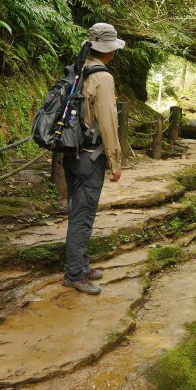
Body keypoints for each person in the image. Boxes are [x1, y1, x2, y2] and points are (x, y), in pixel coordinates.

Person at [62, 22, 124, 295]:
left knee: (78, 211)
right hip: (90, 157)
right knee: (82, 217)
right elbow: (109, 123)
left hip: (71, 153)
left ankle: (82, 265)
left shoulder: (79, 69)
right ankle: (74, 274)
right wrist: (115, 161)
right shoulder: (104, 77)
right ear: (108, 50)